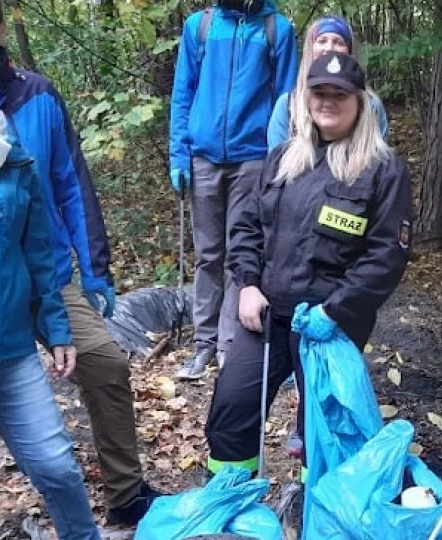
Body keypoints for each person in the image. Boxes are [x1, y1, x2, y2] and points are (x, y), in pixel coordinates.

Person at [0, 0, 160, 534]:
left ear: (0, 28)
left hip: (36, 276)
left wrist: (94, 273)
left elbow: (71, 185)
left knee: (103, 367)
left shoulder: (36, 99)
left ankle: (125, 495)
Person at [204, 52, 413, 476]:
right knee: (231, 408)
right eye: (320, 92)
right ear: (305, 98)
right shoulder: (282, 158)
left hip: (329, 322)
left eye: (340, 94)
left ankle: (313, 508)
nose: (328, 101)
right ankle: (226, 503)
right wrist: (247, 284)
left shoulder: (382, 169)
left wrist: (335, 310)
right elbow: (245, 229)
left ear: (359, 101)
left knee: (321, 429)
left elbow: (386, 255)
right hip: (267, 317)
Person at [169, 0, 298, 379]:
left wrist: (280, 161)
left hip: (254, 158)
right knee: (208, 254)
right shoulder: (201, 26)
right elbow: (183, 93)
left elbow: (288, 101)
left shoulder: (277, 29)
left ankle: (229, 344)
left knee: (239, 254)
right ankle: (202, 344)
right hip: (204, 156)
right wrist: (179, 155)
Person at [266, 15, 388, 150]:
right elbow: (276, 161)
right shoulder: (288, 106)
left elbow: (380, 158)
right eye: (322, 41)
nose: (329, 48)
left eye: (338, 42)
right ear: (311, 49)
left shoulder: (371, 105)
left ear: (350, 51)